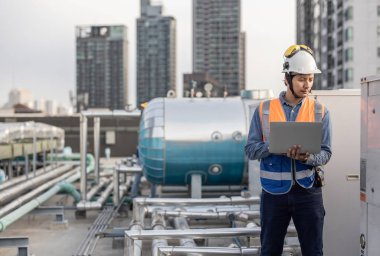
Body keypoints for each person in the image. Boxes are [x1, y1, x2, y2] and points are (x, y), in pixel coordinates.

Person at [245, 44, 332, 256]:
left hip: (308, 193)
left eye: (310, 79)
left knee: (314, 251)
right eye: (301, 79)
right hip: (273, 194)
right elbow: (250, 149)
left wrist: (308, 158)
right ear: (287, 78)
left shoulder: (320, 111)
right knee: (270, 251)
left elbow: (326, 152)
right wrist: (273, 147)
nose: (307, 85)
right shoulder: (264, 110)